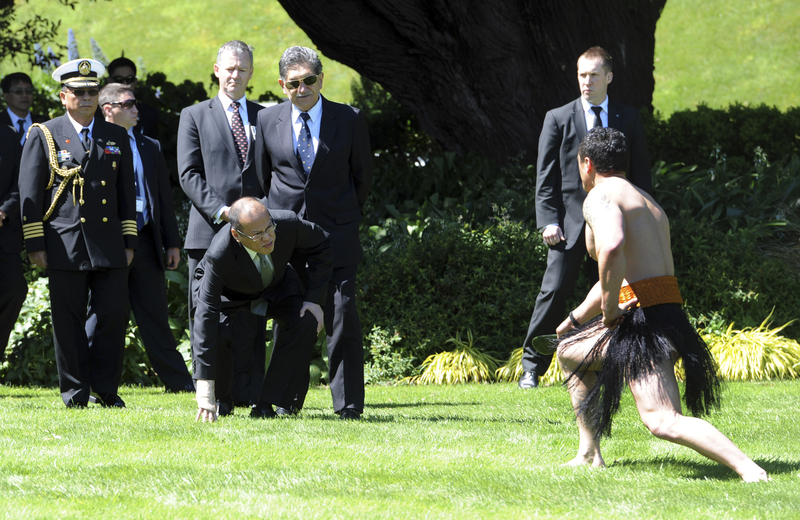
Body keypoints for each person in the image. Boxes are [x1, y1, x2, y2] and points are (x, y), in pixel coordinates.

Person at [551, 127, 768, 482]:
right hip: (664, 313)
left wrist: (609, 311)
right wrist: (575, 319)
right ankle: (589, 453)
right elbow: (620, 277)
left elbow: (612, 248)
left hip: (645, 322)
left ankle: (749, 469)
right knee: (569, 351)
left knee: (662, 419)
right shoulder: (646, 201)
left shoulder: (600, 196)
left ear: (587, 164)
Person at [518, 46, 652, 389]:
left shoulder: (629, 118)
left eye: (593, 75)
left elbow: (641, 175)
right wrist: (548, 220)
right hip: (568, 226)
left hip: (615, 224)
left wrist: (642, 219)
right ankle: (532, 366)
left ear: (609, 77)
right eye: (581, 75)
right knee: (553, 292)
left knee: (616, 293)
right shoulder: (558, 118)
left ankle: (612, 363)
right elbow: (545, 176)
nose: (586, 81)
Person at [254, 46, 373, 420]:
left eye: (308, 80)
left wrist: (342, 215)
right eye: (293, 83)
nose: (302, 88)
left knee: (342, 319)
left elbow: (362, 178)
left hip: (338, 236)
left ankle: (348, 405)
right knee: (292, 319)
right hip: (288, 239)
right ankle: (285, 400)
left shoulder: (348, 119)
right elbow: (261, 179)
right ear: (282, 85)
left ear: (321, 79)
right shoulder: (267, 119)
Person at [18, 59, 137, 408]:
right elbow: (29, 192)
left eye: (92, 92)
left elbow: (125, 193)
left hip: (108, 242)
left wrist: (129, 240)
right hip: (65, 240)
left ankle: (106, 388)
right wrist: (35, 243)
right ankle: (74, 392)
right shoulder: (45, 133)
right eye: (78, 92)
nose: (86, 98)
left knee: (112, 316)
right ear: (63, 96)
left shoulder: (115, 135)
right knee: (68, 321)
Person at [84, 82, 193, 393]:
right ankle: (91, 383)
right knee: (106, 312)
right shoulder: (94, 141)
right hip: (111, 239)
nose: (136, 109)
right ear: (108, 110)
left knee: (154, 312)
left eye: (135, 103)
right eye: (128, 104)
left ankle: (179, 383)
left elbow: (162, 197)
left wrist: (172, 242)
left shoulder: (149, 145)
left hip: (146, 238)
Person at [178, 40, 265, 406]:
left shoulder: (265, 116)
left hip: (255, 236)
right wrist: (225, 212)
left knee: (250, 316)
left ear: (251, 73)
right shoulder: (194, 115)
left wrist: (259, 217)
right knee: (207, 315)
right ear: (216, 70)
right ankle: (211, 393)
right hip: (209, 232)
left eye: (242, 69)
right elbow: (188, 174)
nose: (235, 75)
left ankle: (249, 394)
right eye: (229, 68)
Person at [193, 197, 332, 422]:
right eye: (257, 234)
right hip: (227, 292)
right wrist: (204, 389)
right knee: (215, 329)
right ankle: (221, 400)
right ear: (236, 235)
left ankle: (270, 404)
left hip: (275, 285)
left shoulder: (288, 222)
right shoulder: (219, 255)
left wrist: (314, 299)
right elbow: (205, 313)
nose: (267, 237)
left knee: (306, 320)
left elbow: (323, 243)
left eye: (269, 227)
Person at [0, 124, 27, 359]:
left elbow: (22, 180)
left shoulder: (8, 134)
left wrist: (4, 211)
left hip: (3, 231)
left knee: (15, 288)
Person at [104, 57, 158, 139]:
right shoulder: (96, 114)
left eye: (129, 79)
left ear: (135, 81)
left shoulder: (148, 115)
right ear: (109, 81)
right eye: (118, 79)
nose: (124, 84)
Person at [1, 72, 49, 146]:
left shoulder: (44, 123)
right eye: (18, 91)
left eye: (28, 91)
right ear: (6, 96)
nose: (24, 95)